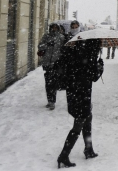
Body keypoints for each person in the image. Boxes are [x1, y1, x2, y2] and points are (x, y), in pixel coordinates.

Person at [56, 37, 102, 168]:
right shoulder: (88, 56)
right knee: (78, 125)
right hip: (82, 95)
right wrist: (100, 67)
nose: (100, 48)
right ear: (94, 45)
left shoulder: (76, 52)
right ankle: (63, 156)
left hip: (74, 93)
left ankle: (89, 149)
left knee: (88, 118)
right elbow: (93, 76)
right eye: (99, 45)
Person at [37, 23, 66, 110]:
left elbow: (64, 49)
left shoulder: (61, 37)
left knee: (53, 82)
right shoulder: (46, 36)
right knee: (48, 83)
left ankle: (52, 101)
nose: (54, 29)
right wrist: (47, 44)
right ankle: (50, 100)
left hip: (56, 63)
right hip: (47, 63)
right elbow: (40, 46)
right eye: (53, 27)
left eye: (56, 27)